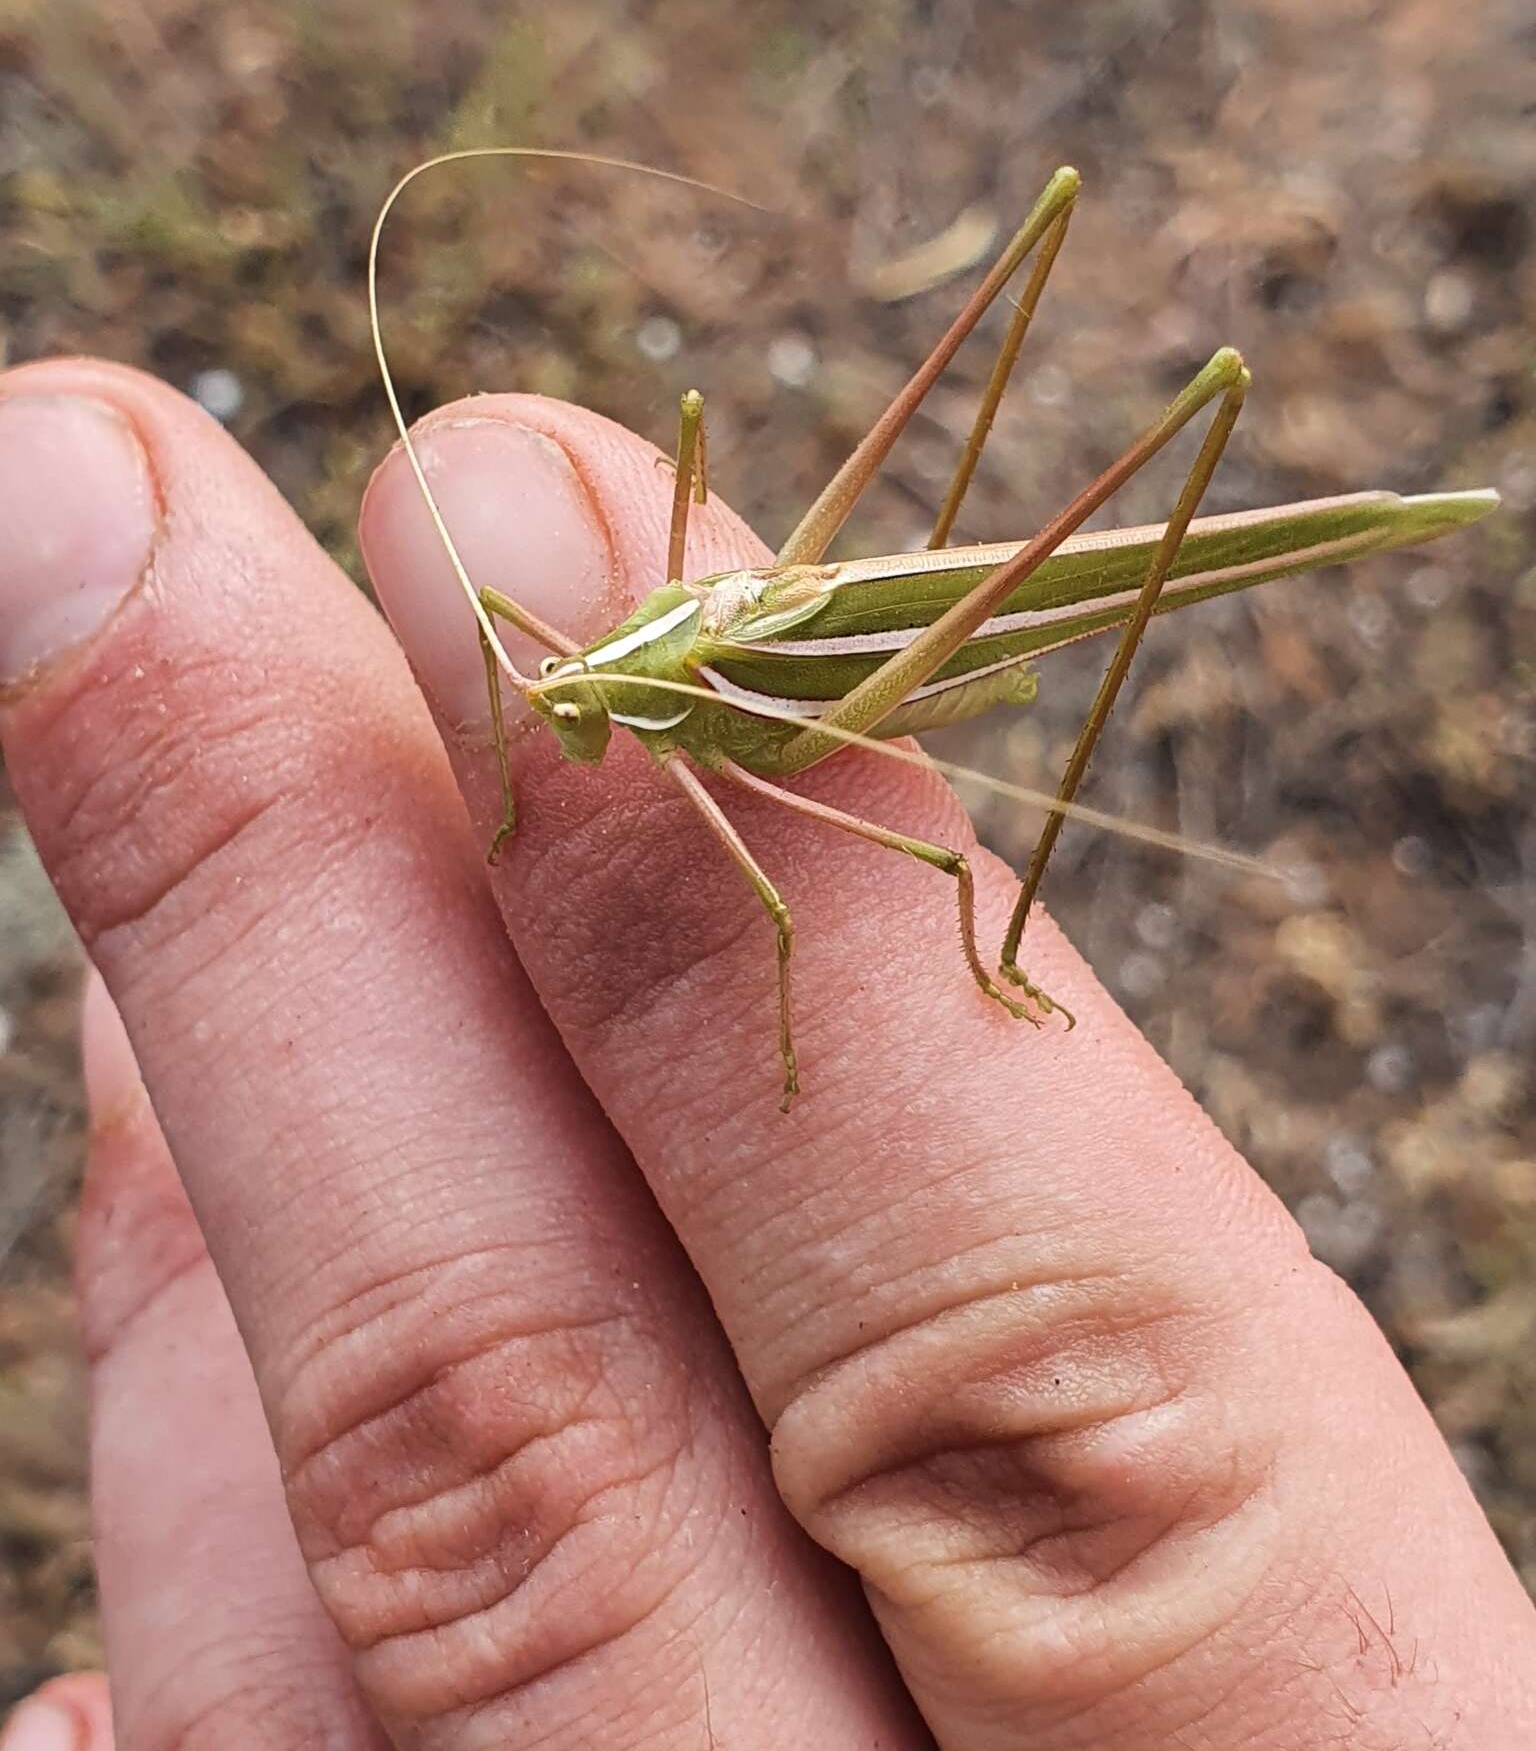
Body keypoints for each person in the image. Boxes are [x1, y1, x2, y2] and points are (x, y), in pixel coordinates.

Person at [1, 357, 1532, 1751]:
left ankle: (1018, 927)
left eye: (563, 703)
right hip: (756, 657)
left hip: (821, 679)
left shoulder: (681, 725)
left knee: (932, 861)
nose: (554, 714)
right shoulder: (572, 666)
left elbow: (787, 927)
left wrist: (943, 952)